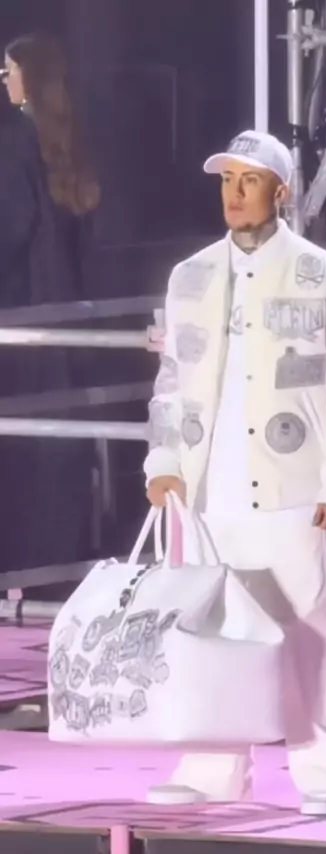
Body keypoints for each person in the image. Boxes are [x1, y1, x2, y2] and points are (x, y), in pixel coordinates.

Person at [144, 130, 326, 816]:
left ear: (280, 190)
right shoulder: (190, 275)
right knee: (210, 626)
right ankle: (214, 768)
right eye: (227, 180)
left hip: (290, 485)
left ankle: (323, 770)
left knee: (306, 627)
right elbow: (171, 379)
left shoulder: (323, 273)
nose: (235, 194)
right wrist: (163, 461)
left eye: (249, 181)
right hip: (207, 486)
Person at [0, 34, 99, 575]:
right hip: (63, 316)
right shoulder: (66, 139)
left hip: (21, 314)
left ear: (29, 77)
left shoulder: (14, 140)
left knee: (24, 452)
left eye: (9, 70)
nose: (3, 80)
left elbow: (11, 230)